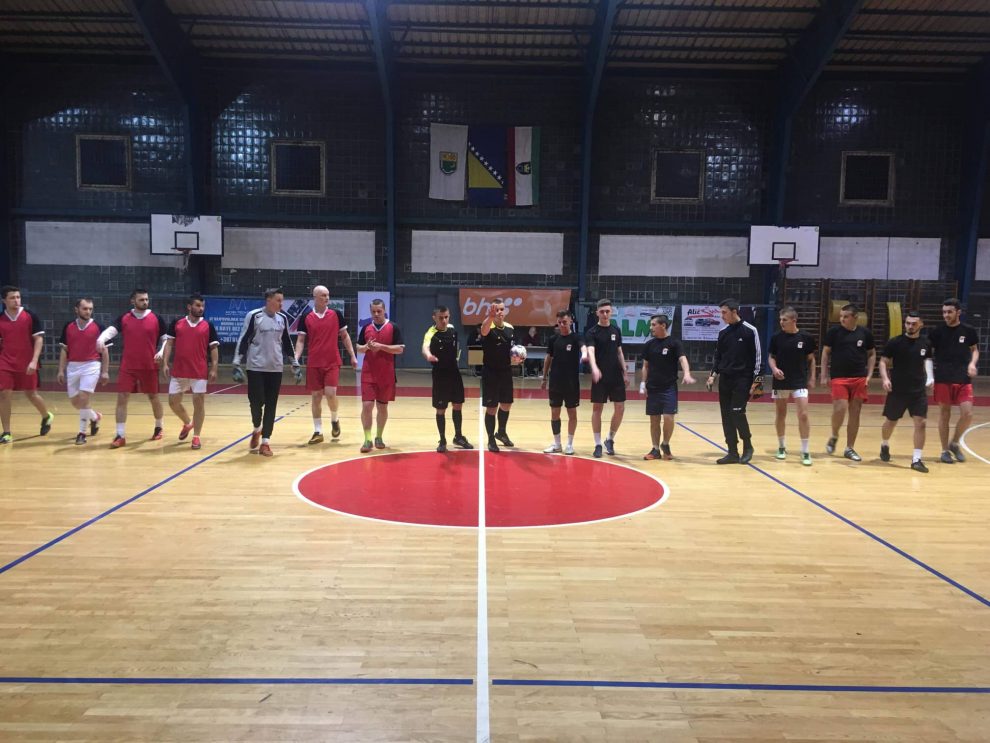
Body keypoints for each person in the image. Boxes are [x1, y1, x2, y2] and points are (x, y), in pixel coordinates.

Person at [232, 288, 299, 457]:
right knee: (256, 402)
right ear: (269, 300)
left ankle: (265, 442)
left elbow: (287, 342)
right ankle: (257, 428)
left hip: (275, 368)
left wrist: (295, 364)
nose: (281, 304)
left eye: (282, 300)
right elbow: (244, 339)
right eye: (278, 300)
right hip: (255, 367)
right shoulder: (254, 316)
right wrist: (236, 363)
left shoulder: (282, 318)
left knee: (271, 404)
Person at [97, 288, 167, 449]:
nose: (145, 302)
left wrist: (161, 351)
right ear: (133, 301)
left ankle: (159, 427)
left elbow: (166, 340)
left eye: (146, 299)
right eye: (141, 299)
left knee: (153, 397)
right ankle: (120, 435)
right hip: (128, 365)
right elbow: (111, 331)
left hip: (149, 365)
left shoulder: (156, 318)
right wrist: (101, 339)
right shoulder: (124, 318)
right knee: (122, 398)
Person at [294, 285, 358, 445]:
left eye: (328, 295)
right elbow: (300, 340)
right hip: (314, 363)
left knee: (330, 393)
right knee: (316, 396)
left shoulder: (336, 314)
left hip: (332, 361)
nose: (327, 298)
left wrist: (352, 355)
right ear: (315, 297)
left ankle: (335, 419)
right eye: (323, 295)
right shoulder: (306, 317)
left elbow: (345, 336)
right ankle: (318, 431)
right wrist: (296, 358)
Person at [158, 293, 219, 451]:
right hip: (179, 370)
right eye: (198, 305)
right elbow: (169, 344)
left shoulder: (208, 325)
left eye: (202, 306)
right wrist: (165, 363)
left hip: (199, 371)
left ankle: (196, 436)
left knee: (198, 403)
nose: (201, 308)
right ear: (189, 306)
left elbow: (213, 348)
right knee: (173, 402)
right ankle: (188, 423)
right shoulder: (177, 323)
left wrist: (214, 368)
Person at [706, 298, 761, 465]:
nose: (722, 316)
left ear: (734, 311)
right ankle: (732, 452)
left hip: (743, 379)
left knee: (737, 412)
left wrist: (757, 382)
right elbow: (718, 357)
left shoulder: (750, 330)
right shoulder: (723, 332)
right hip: (725, 379)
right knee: (726, 415)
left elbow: (758, 358)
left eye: (724, 312)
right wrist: (713, 375)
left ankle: (748, 446)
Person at [879, 311, 933, 473]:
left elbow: (927, 360)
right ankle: (884, 444)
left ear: (921, 324)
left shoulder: (925, 343)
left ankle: (916, 459)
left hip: (918, 390)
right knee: (891, 421)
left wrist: (930, 377)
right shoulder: (895, 342)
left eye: (913, 324)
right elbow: (883, 362)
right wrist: (885, 379)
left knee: (921, 423)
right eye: (908, 323)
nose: (910, 326)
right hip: (898, 389)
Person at [820, 304, 876, 461]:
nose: (842, 319)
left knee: (855, 413)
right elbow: (825, 353)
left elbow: (872, 353)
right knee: (840, 408)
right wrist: (823, 374)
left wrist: (869, 375)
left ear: (855, 317)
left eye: (845, 316)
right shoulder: (834, 332)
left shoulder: (865, 333)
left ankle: (849, 448)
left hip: (859, 378)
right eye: (841, 316)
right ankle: (834, 435)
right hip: (839, 377)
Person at [0, 285, 54, 443]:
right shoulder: (0, 319)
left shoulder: (30, 316)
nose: (16, 300)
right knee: (4, 394)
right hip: (5, 362)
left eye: (18, 297)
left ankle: (46, 416)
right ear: (4, 300)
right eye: (12, 298)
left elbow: (39, 339)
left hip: (27, 362)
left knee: (31, 394)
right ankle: (6, 432)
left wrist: (34, 361)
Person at [929, 298, 980, 464]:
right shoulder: (937, 332)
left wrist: (972, 364)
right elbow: (927, 354)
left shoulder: (968, 330)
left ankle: (955, 442)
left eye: (949, 312)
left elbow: (975, 350)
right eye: (944, 312)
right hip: (943, 377)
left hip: (963, 378)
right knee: (945, 414)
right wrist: (929, 375)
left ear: (958, 312)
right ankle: (944, 450)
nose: (946, 315)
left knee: (968, 414)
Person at [639, 314, 695, 461]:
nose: (651, 328)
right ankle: (655, 449)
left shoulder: (674, 343)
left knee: (669, 417)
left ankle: (665, 444)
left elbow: (683, 359)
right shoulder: (649, 345)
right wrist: (643, 383)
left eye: (653, 325)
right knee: (654, 420)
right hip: (653, 387)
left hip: (669, 387)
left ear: (663, 325)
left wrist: (687, 373)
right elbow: (645, 366)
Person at [768, 306, 817, 466]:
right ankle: (782, 447)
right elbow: (771, 357)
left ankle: (805, 450)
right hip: (781, 381)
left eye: (785, 320)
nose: (781, 322)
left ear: (794, 320)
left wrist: (812, 377)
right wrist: (774, 369)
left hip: (799, 381)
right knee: (781, 414)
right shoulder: (776, 338)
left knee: (803, 414)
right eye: (780, 319)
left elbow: (811, 359)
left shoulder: (806, 337)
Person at [57, 297, 109, 445]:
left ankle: (82, 433)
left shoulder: (99, 326)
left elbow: (105, 351)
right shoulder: (68, 326)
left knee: (83, 397)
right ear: (77, 309)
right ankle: (95, 417)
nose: (88, 311)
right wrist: (61, 370)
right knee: (76, 402)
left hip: (92, 365)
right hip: (73, 366)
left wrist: (105, 371)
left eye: (90, 309)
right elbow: (64, 350)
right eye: (85, 308)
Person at [422, 304, 473, 453]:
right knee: (441, 409)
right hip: (440, 375)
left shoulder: (451, 329)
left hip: (454, 373)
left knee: (458, 405)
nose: (444, 320)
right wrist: (428, 355)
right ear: (434, 318)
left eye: (446, 317)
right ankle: (442, 440)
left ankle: (458, 436)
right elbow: (424, 347)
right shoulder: (430, 333)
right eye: (441, 318)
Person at [357, 299, 404, 453]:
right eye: (373, 311)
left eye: (379, 311)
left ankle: (379, 436)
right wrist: (366, 347)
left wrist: (381, 347)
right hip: (368, 373)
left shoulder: (393, 327)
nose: (376, 314)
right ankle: (367, 439)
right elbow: (358, 347)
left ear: (384, 311)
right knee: (367, 406)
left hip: (386, 374)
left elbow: (400, 349)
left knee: (382, 407)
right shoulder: (366, 328)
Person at [586, 298, 628, 458]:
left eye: (607, 311)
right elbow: (590, 352)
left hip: (616, 375)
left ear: (611, 312)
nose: (605, 314)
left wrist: (625, 372)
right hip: (600, 377)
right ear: (597, 312)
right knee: (597, 409)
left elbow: (619, 352)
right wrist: (595, 368)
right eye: (602, 311)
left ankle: (609, 439)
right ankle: (597, 443)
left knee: (620, 408)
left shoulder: (616, 330)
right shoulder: (592, 332)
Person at [541, 310, 587, 455]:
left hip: (571, 384)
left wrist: (585, 354)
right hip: (555, 382)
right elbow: (548, 359)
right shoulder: (553, 339)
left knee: (572, 413)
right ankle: (557, 444)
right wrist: (544, 378)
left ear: (571, 322)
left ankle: (570, 444)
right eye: (559, 322)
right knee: (555, 413)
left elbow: (583, 347)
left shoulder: (577, 337)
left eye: (564, 322)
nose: (562, 325)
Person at [480, 299, 516, 452]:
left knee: (506, 404)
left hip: (506, 371)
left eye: (502, 309)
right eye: (497, 309)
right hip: (490, 372)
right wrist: (490, 317)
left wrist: (516, 358)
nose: (500, 312)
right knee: (492, 407)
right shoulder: (488, 325)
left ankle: (501, 432)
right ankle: (490, 438)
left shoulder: (510, 328)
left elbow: (512, 350)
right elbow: (483, 331)